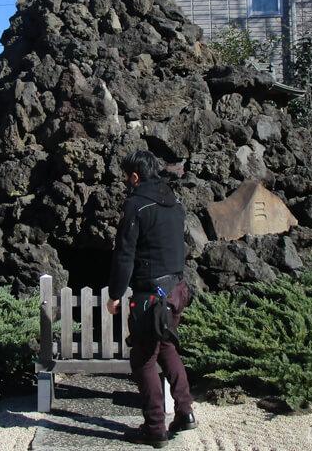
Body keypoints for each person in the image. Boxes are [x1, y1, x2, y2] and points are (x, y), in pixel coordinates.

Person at [106, 150, 196, 448]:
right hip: (176, 290)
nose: (125, 183)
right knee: (167, 348)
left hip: (150, 296)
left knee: (143, 359)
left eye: (127, 177)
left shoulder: (137, 205)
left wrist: (115, 294)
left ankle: (155, 428)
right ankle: (185, 413)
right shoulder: (175, 202)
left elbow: (124, 256)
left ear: (135, 176)